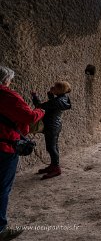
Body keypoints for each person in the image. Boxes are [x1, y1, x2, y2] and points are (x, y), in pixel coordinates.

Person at [0, 66, 45, 241]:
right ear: (6, 80)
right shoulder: (7, 95)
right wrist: (41, 111)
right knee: (2, 188)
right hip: (4, 147)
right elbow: (29, 117)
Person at [32, 82, 72, 180]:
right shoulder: (63, 98)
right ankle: (53, 165)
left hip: (52, 126)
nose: (52, 87)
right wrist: (50, 94)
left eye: (55, 87)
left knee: (51, 147)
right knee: (53, 146)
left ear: (59, 90)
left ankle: (56, 169)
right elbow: (54, 104)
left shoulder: (58, 101)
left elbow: (39, 105)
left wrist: (34, 96)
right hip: (55, 125)